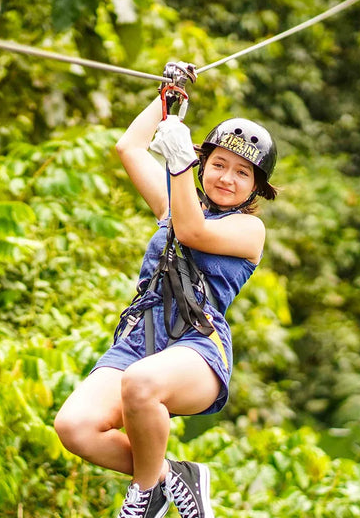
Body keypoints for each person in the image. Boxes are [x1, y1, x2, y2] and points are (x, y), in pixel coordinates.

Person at [53, 70, 278, 518]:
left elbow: (192, 230)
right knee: (75, 427)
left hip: (197, 347)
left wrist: (180, 162)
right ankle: (168, 477)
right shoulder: (172, 204)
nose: (227, 178)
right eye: (218, 164)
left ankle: (143, 496)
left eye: (242, 173)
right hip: (138, 340)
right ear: (205, 162)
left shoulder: (250, 230)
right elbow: (129, 148)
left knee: (141, 384)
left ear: (256, 187)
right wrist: (167, 99)